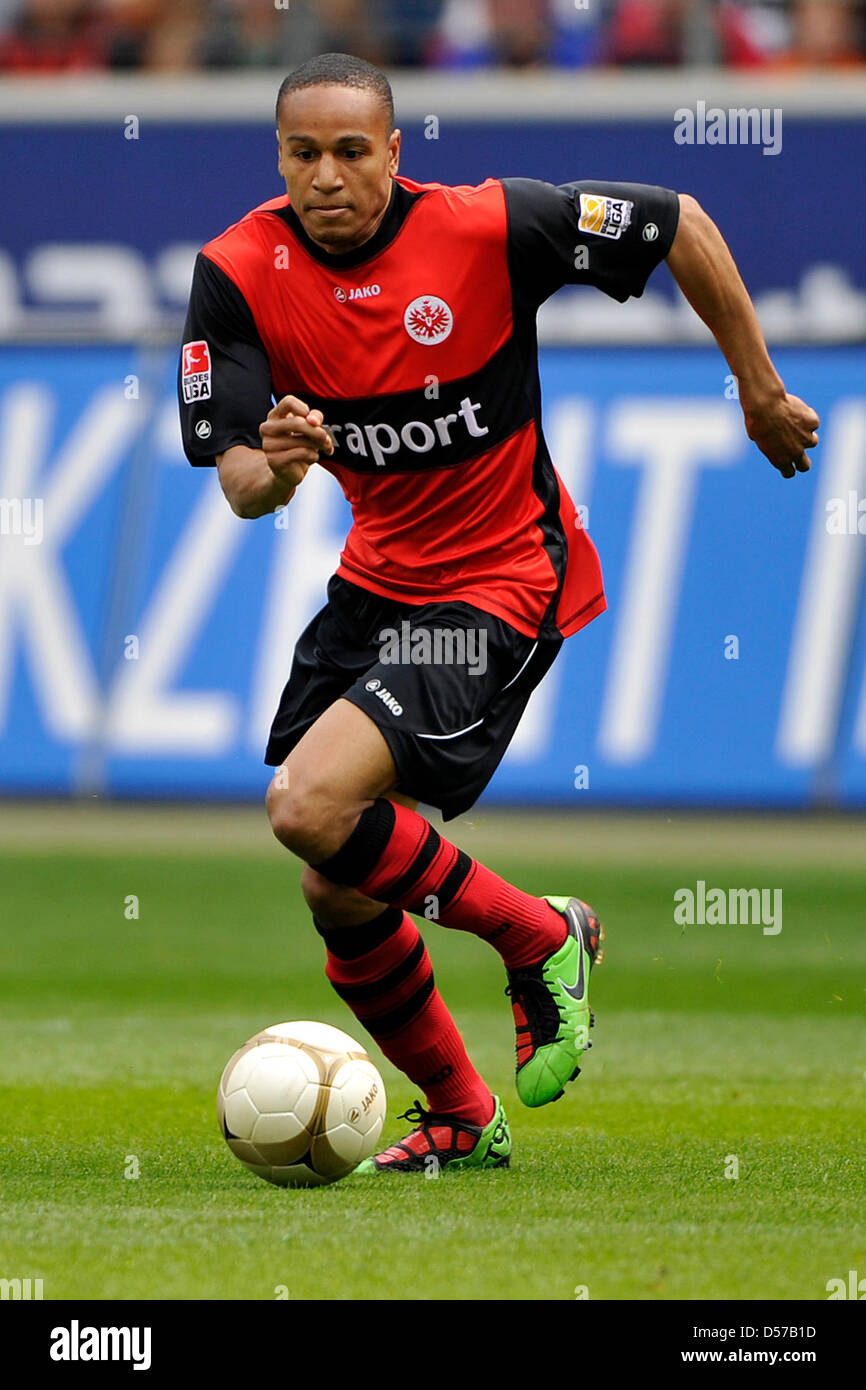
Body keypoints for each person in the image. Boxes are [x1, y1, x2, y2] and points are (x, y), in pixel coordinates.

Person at [179, 51, 819, 1174]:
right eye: (301, 152)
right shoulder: (236, 269)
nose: (325, 175)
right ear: (277, 155)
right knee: (335, 877)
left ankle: (540, 933)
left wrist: (755, 387)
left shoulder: (488, 229)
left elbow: (678, 221)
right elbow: (236, 478)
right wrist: (276, 465)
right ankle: (463, 1116)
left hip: (501, 576)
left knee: (304, 805)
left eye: (349, 150)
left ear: (395, 149)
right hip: (375, 579)